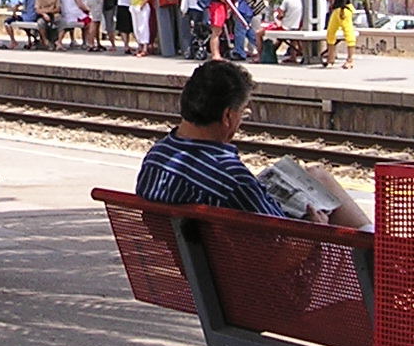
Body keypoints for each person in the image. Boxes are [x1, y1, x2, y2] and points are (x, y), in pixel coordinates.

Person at [135, 61, 368, 225]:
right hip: (257, 277)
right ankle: (380, 259)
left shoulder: (157, 156)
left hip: (196, 270)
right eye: (242, 113)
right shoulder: (232, 178)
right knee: (330, 203)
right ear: (227, 116)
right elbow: (283, 252)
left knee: (317, 176)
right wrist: (315, 228)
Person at [322, 0, 356, 67]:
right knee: (330, 33)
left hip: (344, 8)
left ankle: (350, 59)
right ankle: (330, 58)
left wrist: (342, 7)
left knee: (348, 33)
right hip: (336, 8)